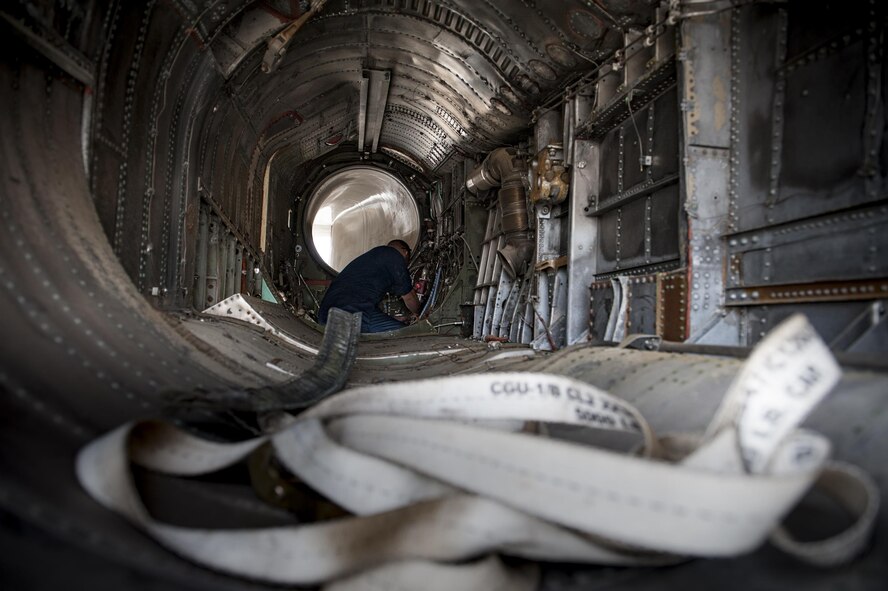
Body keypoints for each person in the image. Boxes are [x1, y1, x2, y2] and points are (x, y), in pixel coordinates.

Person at [318, 239, 421, 333]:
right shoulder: (394, 256)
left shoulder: (372, 259)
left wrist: (393, 319)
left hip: (327, 315)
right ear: (405, 253)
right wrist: (420, 314)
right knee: (407, 334)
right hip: (353, 311)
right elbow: (409, 297)